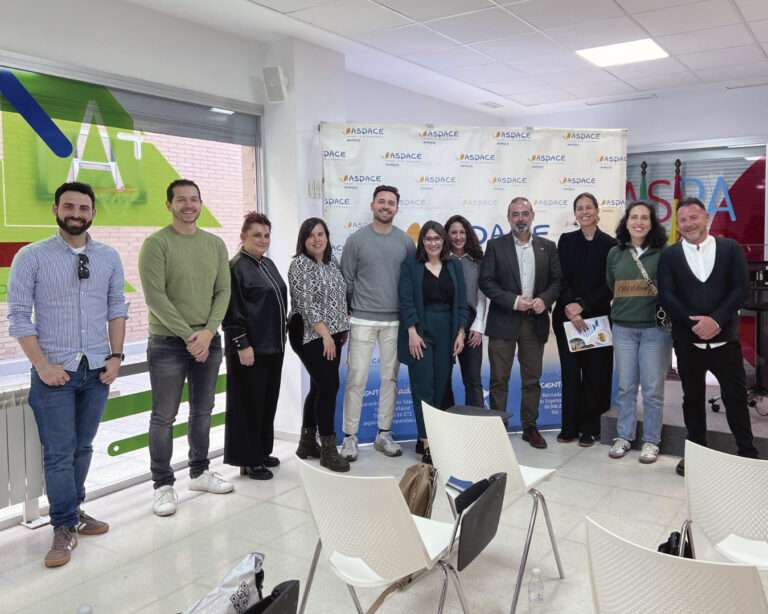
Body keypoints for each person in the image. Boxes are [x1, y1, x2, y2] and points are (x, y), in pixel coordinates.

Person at [8, 181, 128, 567]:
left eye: (83, 208)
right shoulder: (32, 257)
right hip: (53, 373)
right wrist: (42, 365)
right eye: (69, 206)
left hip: (96, 371)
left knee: (83, 447)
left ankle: (74, 512)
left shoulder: (108, 256)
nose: (76, 213)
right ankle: (62, 527)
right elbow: (17, 318)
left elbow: (116, 308)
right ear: (55, 209)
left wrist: (116, 357)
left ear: (93, 212)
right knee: (59, 454)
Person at [139, 179, 233, 517]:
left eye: (194, 199)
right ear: (169, 205)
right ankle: (163, 485)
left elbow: (223, 291)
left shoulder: (215, 244)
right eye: (181, 200)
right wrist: (190, 337)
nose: (189, 205)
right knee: (164, 416)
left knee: (203, 410)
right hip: (167, 342)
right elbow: (155, 298)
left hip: (208, 340)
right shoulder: (156, 244)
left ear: (201, 203)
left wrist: (208, 332)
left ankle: (199, 472)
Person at [658, 197, 759, 476]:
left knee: (735, 398)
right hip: (688, 342)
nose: (689, 224)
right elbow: (667, 295)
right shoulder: (670, 255)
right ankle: (696, 454)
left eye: (694, 217)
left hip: (725, 340)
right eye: (683, 220)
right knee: (691, 399)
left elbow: (740, 289)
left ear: (707, 219)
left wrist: (715, 320)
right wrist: (695, 324)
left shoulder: (729, 249)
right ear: (678, 225)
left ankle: (747, 453)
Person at [339, 184, 416, 461]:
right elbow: (346, 280)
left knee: (389, 379)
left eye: (391, 203)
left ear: (396, 208)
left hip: (394, 322)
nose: (386, 206)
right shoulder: (356, 240)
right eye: (381, 202)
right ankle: (350, 438)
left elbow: (411, 283)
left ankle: (384, 434)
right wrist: (347, 314)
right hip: (361, 318)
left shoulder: (406, 242)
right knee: (356, 377)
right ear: (372, 205)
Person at [479, 197, 561, 449]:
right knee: (498, 379)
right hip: (503, 321)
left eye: (525, 213)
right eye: (516, 214)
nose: (521, 218)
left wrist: (543, 301)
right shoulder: (495, 246)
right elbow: (486, 282)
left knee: (531, 380)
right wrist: (514, 301)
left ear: (532, 215)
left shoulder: (548, 247)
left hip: (534, 322)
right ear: (509, 218)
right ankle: (498, 429)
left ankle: (530, 427)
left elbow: (557, 282)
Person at [222, 212, 287, 480]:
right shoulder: (236, 267)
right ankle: (248, 460)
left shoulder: (267, 264)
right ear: (243, 237)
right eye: (256, 235)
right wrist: (242, 344)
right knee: (248, 404)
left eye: (266, 235)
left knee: (266, 403)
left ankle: (261, 451)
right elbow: (231, 309)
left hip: (273, 346)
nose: (263, 240)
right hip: (250, 350)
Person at [606, 200, 671, 464]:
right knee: (625, 387)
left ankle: (651, 441)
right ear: (626, 221)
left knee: (653, 389)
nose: (639, 222)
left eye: (645, 218)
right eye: (634, 217)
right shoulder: (615, 253)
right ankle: (624, 436)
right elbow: (612, 285)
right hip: (623, 328)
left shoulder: (664, 254)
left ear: (652, 223)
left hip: (655, 330)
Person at [398, 221, 468, 463]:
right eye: (428, 238)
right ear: (422, 242)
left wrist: (461, 332)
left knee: (441, 388)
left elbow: (461, 302)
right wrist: (412, 331)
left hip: (448, 331)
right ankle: (426, 443)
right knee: (423, 388)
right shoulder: (411, 266)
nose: (433, 243)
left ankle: (436, 438)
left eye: (437, 238)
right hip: (421, 332)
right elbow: (405, 301)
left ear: (444, 240)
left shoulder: (454, 266)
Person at [553, 193, 616, 447]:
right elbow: (560, 277)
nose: (584, 212)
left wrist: (584, 306)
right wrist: (571, 306)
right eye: (579, 208)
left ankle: (590, 428)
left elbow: (610, 284)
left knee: (594, 374)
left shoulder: (610, 244)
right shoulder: (566, 241)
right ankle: (569, 427)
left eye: (589, 207)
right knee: (570, 373)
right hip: (566, 318)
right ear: (575, 213)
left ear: (597, 211)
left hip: (596, 319)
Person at [288, 218, 350, 472]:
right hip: (309, 334)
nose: (317, 239)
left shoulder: (331, 262)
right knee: (328, 385)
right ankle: (328, 449)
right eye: (311, 235)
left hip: (333, 334)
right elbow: (306, 304)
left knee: (318, 386)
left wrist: (340, 329)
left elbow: (339, 297)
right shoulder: (300, 265)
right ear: (304, 239)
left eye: (321, 234)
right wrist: (325, 334)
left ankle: (306, 443)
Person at [445, 214, 488, 408]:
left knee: (473, 380)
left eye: (462, 232)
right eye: (453, 232)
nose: (458, 236)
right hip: (445, 321)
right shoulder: (440, 260)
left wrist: (478, 327)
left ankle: (477, 428)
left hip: (471, 322)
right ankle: (446, 427)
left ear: (468, 234)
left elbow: (481, 295)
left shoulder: (477, 261)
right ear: (446, 235)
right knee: (443, 379)